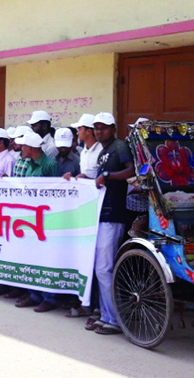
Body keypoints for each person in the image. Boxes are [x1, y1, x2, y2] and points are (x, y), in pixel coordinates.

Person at [87, 112, 136, 335]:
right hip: (102, 214)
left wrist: (108, 175)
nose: (99, 131)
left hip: (114, 214)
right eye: (96, 127)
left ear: (113, 128)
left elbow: (132, 170)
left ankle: (114, 319)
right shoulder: (103, 151)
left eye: (103, 127)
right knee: (101, 268)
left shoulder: (120, 146)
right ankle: (106, 315)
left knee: (104, 268)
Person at [12, 131, 61, 311]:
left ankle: (49, 297)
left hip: (46, 217)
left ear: (31, 148)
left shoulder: (49, 164)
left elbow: (56, 190)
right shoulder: (30, 163)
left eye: (23, 146)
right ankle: (34, 294)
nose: (20, 149)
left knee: (45, 257)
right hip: (29, 216)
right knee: (31, 255)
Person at [73, 113, 101, 179]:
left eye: (79, 129)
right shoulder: (83, 152)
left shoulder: (102, 151)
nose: (77, 133)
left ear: (88, 131)